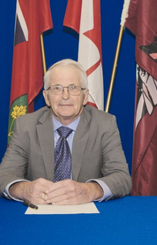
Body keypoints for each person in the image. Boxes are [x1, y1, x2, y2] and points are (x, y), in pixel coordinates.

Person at [0, 59, 132, 205]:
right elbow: (4, 175)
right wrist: (24, 189)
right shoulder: (25, 125)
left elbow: (122, 178)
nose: (65, 95)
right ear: (46, 97)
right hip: (38, 218)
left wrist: (89, 190)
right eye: (57, 88)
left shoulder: (104, 124)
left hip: (87, 218)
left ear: (85, 96)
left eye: (73, 87)